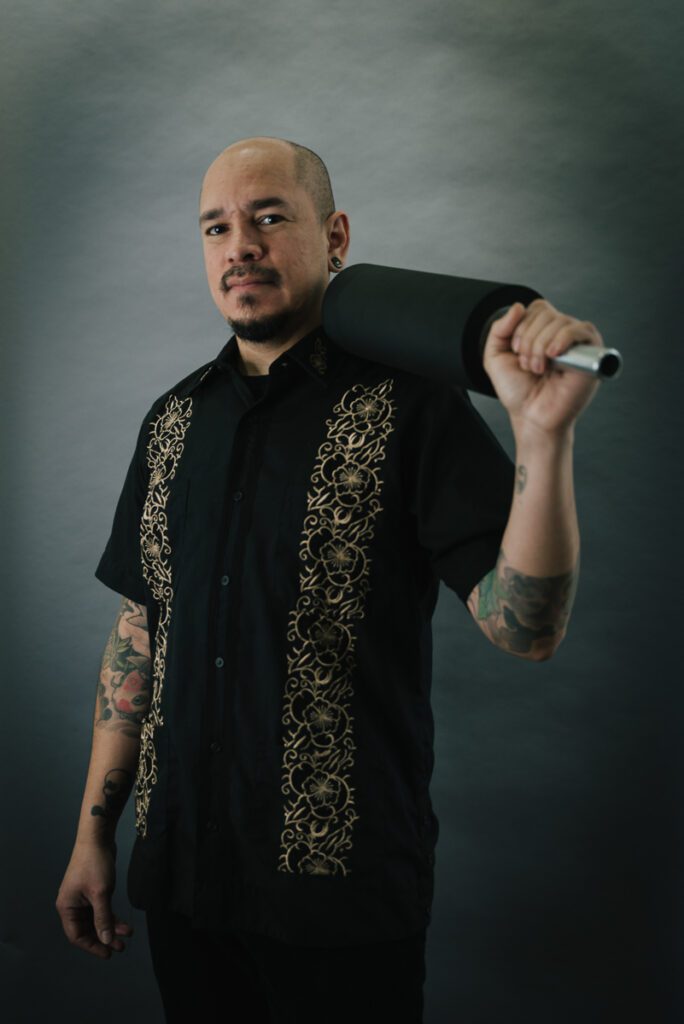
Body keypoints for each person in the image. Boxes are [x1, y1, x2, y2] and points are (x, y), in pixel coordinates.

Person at [56, 136, 604, 1023]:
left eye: (269, 217)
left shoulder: (412, 404)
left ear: (335, 235)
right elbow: (139, 635)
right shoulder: (172, 423)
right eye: (216, 227)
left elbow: (526, 628)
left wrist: (543, 436)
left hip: (341, 898)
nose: (241, 246)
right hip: (184, 879)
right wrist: (93, 836)